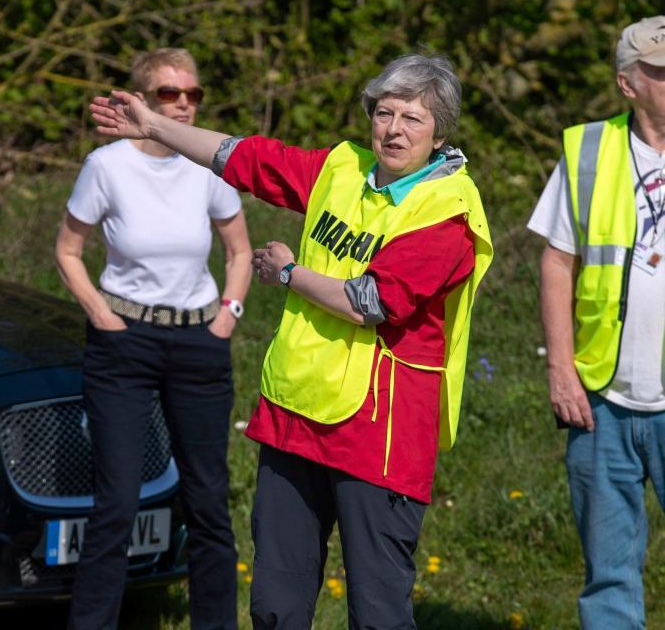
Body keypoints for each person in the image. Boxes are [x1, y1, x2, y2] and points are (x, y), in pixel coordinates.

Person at [89, 53, 493, 629]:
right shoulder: (342, 168)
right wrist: (155, 127)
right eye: (384, 113)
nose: (395, 129)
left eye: (413, 118)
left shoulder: (448, 211)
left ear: (441, 131)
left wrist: (287, 273)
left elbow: (371, 303)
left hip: (379, 433)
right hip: (294, 415)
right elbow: (244, 159)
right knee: (275, 605)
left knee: (377, 612)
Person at [55, 47, 251, 630]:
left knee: (208, 503)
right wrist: (99, 312)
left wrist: (227, 318)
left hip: (198, 343)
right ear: (141, 99)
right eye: (170, 94)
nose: (185, 104)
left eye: (193, 94)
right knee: (116, 504)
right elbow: (68, 250)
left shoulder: (207, 165)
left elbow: (239, 250)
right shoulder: (106, 165)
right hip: (124, 344)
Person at [527, 15, 665, 630]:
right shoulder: (588, 150)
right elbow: (558, 261)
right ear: (628, 84)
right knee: (609, 575)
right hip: (602, 397)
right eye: (662, 73)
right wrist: (561, 370)